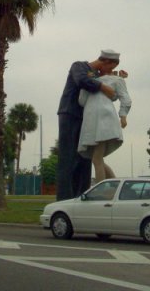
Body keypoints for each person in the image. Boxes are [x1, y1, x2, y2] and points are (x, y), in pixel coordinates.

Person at [56, 49, 122, 201]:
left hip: (89, 119)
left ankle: (81, 197)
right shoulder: (79, 66)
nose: (109, 71)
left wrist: (117, 78)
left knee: (86, 158)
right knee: (68, 158)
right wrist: (103, 87)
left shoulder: (98, 76)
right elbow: (82, 81)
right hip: (70, 115)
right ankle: (64, 200)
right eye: (110, 67)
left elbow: (111, 88)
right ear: (105, 61)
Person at [78, 68, 131, 183]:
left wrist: (123, 116)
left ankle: (100, 189)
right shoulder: (91, 82)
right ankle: (114, 186)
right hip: (91, 121)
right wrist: (85, 83)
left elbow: (125, 98)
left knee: (97, 159)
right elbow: (82, 101)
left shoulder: (116, 80)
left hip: (104, 120)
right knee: (98, 159)